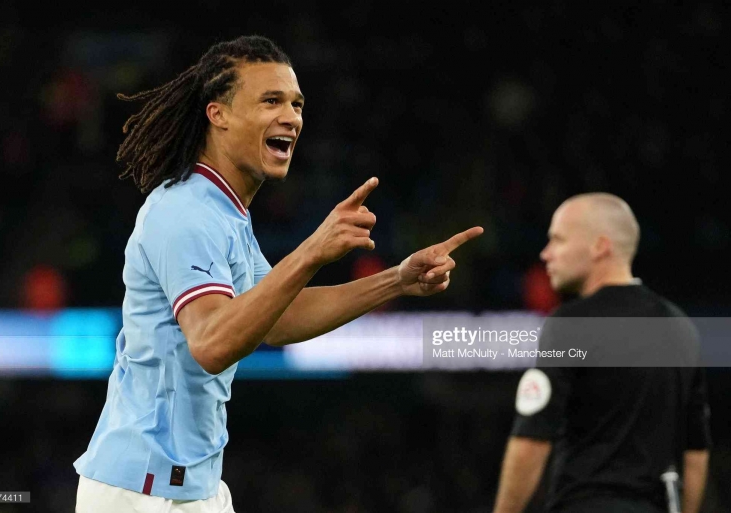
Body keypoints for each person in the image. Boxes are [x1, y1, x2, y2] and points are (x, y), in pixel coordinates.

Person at [73, 35, 483, 512]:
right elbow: (210, 343)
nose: (292, 116)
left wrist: (397, 280)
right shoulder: (184, 211)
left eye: (297, 104)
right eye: (271, 101)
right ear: (218, 113)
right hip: (141, 493)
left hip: (190, 487)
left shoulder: (225, 211)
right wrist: (312, 250)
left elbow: (279, 317)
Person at [492, 193, 711, 513]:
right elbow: (696, 451)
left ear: (599, 246)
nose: (546, 253)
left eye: (558, 240)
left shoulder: (570, 324)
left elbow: (532, 440)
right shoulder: (680, 327)